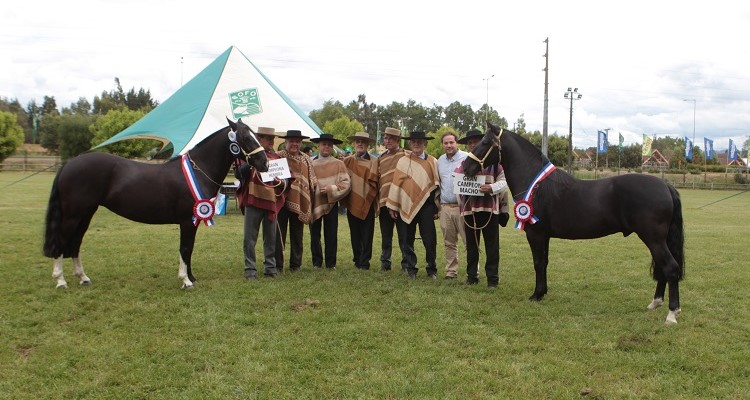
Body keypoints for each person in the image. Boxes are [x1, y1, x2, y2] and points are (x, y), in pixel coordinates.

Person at [455, 129, 510, 288]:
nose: (472, 145)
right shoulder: (463, 164)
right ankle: (472, 277)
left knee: (492, 246)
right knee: (472, 246)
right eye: (470, 143)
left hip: (489, 210)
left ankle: (492, 279)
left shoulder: (495, 165)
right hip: (469, 211)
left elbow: (504, 182)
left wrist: (491, 188)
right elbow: (457, 183)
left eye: (475, 142)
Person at [235, 126, 292, 279]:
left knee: (270, 238)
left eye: (273, 138)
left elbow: (287, 181)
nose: (272, 141)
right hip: (253, 200)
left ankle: (270, 268)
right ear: (259, 139)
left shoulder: (278, 158)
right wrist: (251, 162)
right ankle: (250, 270)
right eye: (268, 138)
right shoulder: (249, 156)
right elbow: (237, 173)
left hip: (271, 202)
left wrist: (281, 183)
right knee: (249, 238)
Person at [386, 131, 440, 280]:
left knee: (429, 239)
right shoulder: (402, 161)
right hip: (406, 204)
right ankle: (411, 268)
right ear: (410, 144)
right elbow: (396, 184)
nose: (416, 144)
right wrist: (393, 206)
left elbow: (436, 186)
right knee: (407, 238)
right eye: (413, 141)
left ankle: (432, 269)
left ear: (425, 143)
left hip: (427, 206)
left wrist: (437, 208)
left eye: (420, 141)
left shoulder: (433, 162)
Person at [277, 129, 318, 271]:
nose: (294, 144)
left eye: (297, 141)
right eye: (291, 141)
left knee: (297, 234)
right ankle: (278, 264)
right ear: (285, 142)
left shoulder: (306, 159)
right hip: (281, 201)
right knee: (279, 234)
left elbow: (311, 180)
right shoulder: (278, 157)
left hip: (300, 201)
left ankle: (296, 264)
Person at [310, 133, 351, 270]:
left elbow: (346, 183)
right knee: (314, 234)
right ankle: (317, 262)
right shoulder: (310, 163)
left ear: (332, 147)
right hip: (314, 203)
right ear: (318, 146)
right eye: (324, 144)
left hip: (331, 203)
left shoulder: (339, 164)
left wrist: (330, 189)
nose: (326, 147)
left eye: (329, 144)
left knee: (331, 233)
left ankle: (331, 263)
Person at [342, 132, 379, 270]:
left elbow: (376, 183)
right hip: (352, 202)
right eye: (358, 141)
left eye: (363, 141)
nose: (360, 144)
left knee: (367, 234)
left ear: (367, 144)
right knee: (355, 233)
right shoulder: (347, 161)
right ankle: (357, 259)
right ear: (354, 143)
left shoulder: (375, 161)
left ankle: (365, 262)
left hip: (368, 202)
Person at [376, 127, 409, 272]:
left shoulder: (406, 156)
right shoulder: (381, 158)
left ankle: (406, 262)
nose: (387, 141)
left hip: (402, 203)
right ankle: (385, 261)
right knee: (386, 235)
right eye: (386, 138)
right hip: (384, 202)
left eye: (391, 138)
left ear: (397, 140)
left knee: (404, 235)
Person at [437, 131, 468, 279]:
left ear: (457, 143)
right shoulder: (440, 161)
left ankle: (473, 271)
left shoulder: (467, 158)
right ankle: (451, 272)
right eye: (446, 143)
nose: (449, 145)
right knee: (449, 243)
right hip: (445, 207)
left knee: (468, 242)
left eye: (451, 142)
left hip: (462, 207)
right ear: (443, 144)